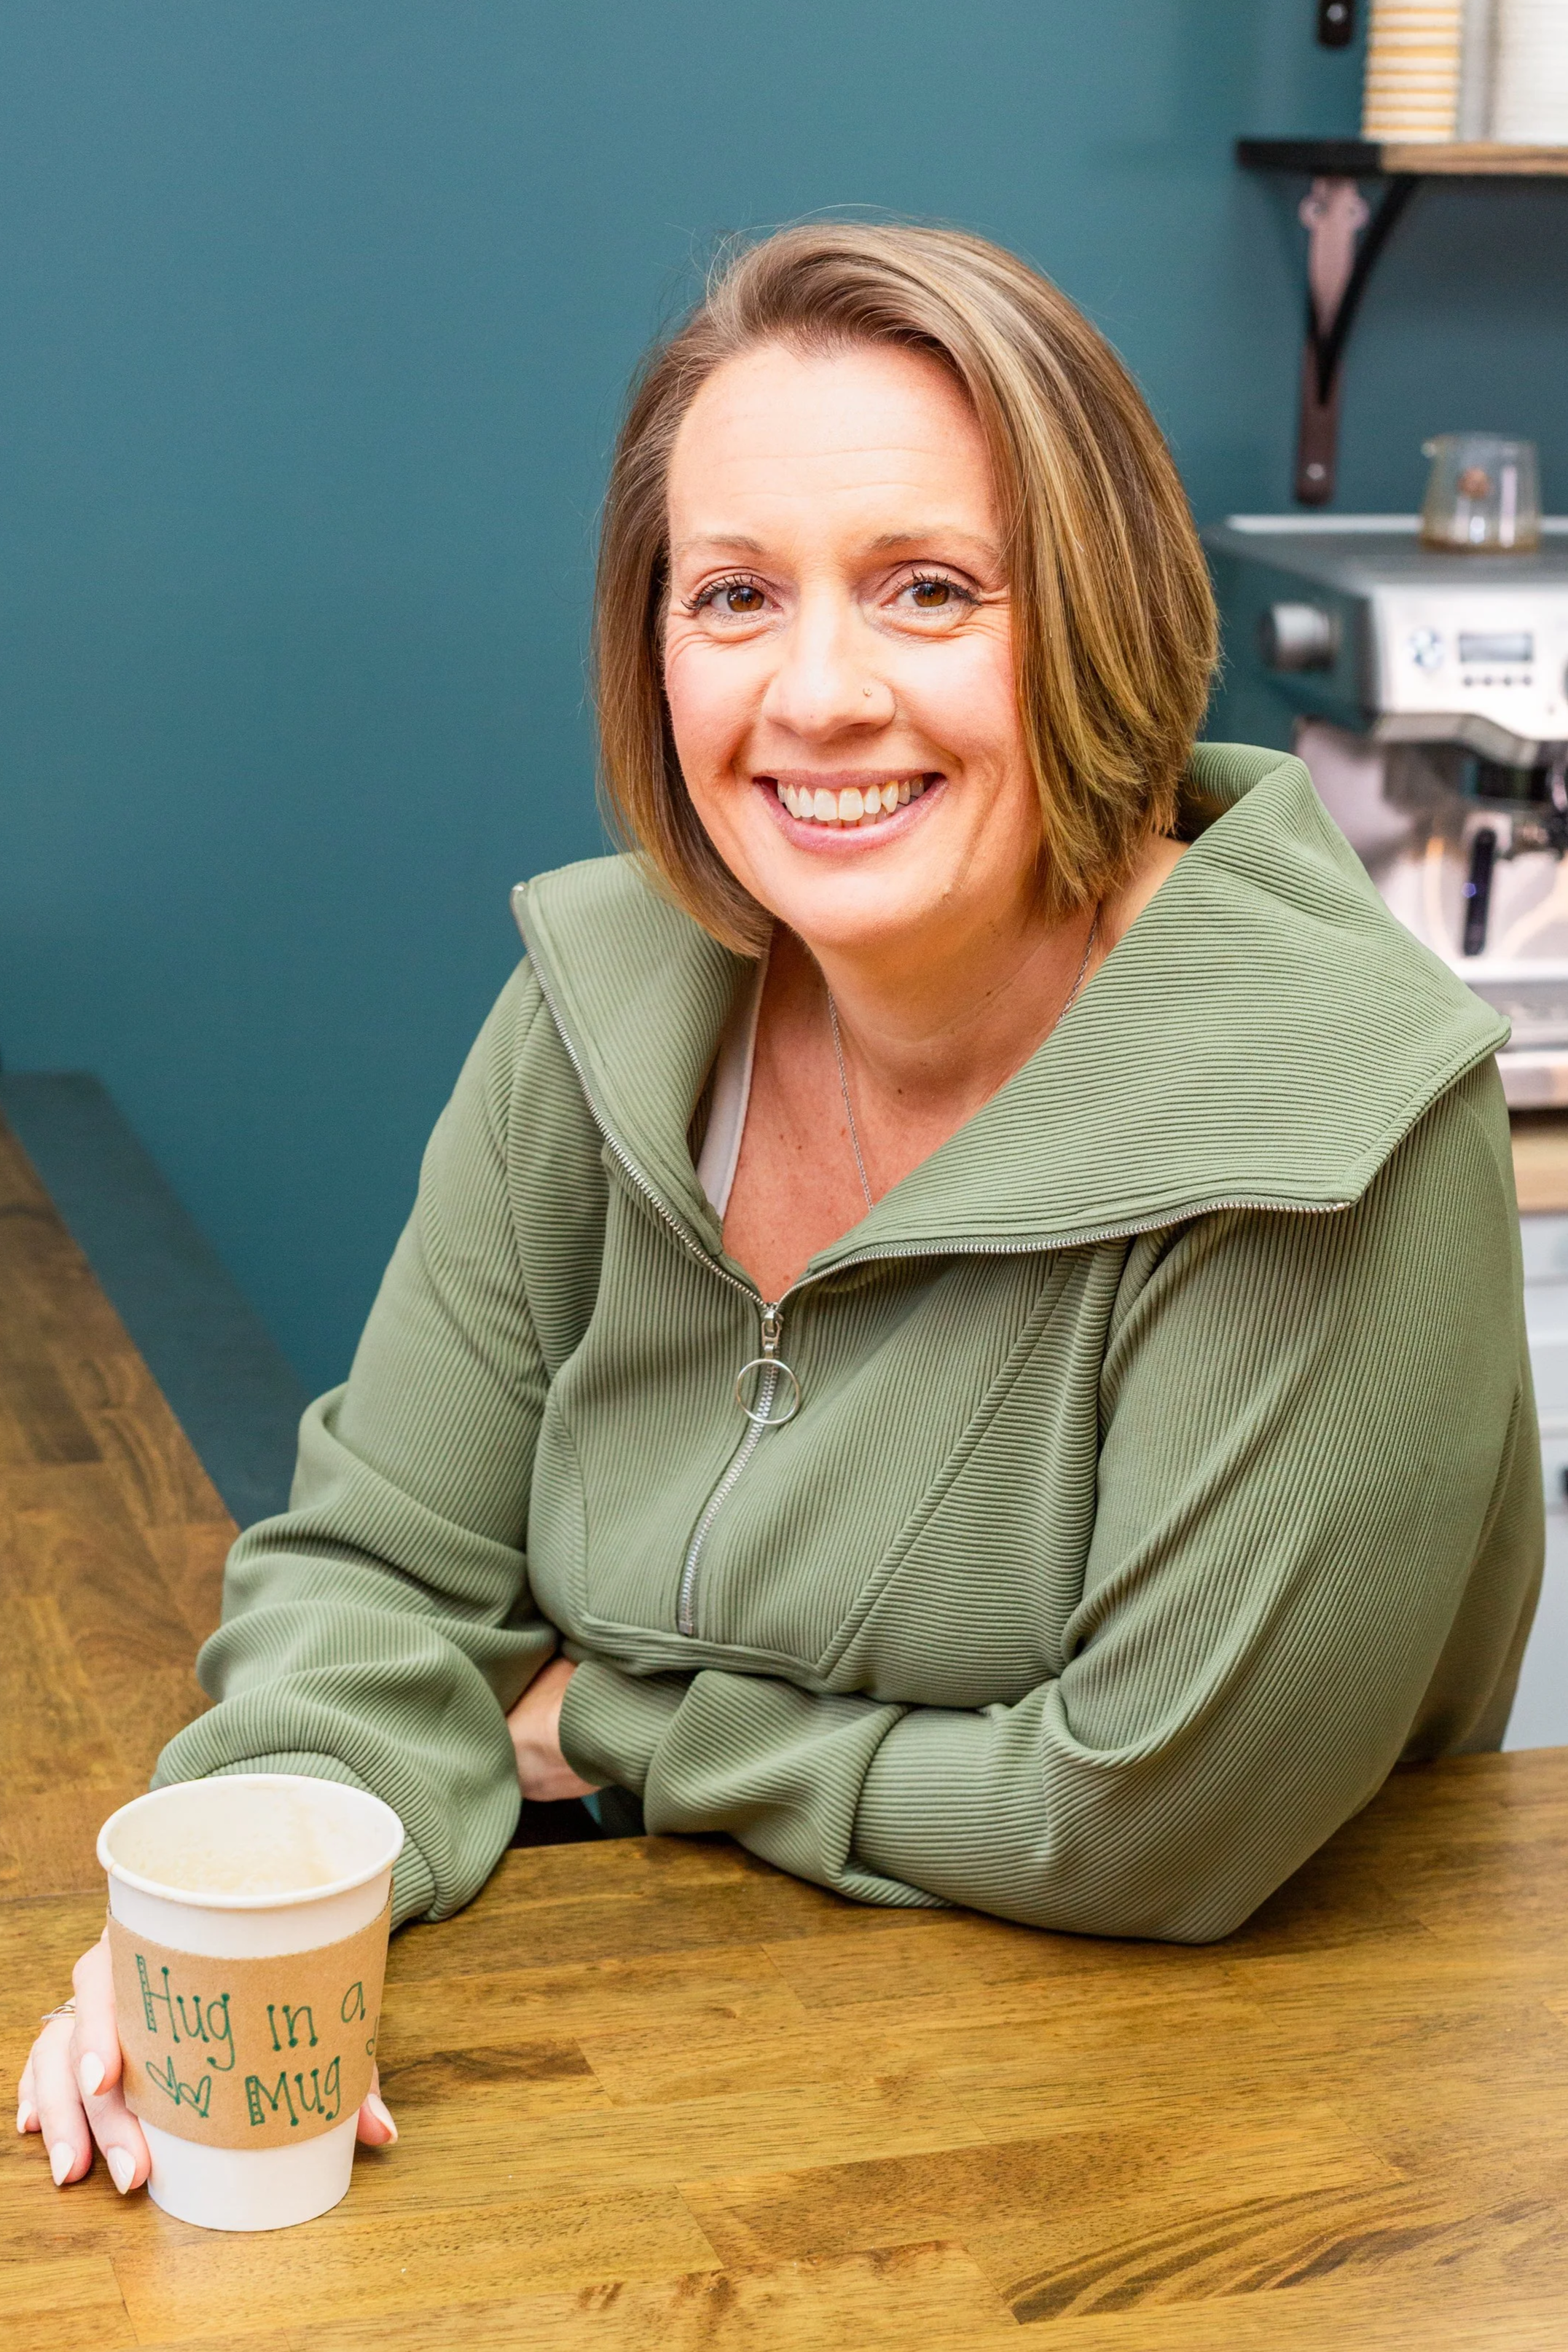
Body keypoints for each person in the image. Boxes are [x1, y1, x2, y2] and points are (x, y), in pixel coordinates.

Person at [20, 222, 1541, 2198]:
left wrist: (615, 1721)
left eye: (927, 589)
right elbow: (382, 1576)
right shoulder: (595, 1016)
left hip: (1200, 2171)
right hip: (655, 2104)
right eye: (733, 595)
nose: (816, 693)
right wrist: (260, 1873)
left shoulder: (1332, 1107)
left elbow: (1142, 1819)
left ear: (1095, 613)